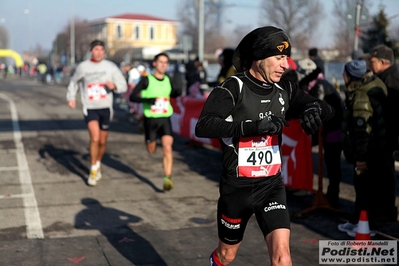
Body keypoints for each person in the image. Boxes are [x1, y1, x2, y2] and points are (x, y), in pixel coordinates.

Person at [195, 26, 334, 266]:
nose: (286, 65)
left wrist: (314, 109)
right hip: (236, 189)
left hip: (271, 186)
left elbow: (327, 108)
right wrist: (253, 126)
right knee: (226, 255)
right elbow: (204, 126)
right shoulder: (233, 87)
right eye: (279, 58)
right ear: (259, 58)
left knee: (282, 258)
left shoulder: (284, 89)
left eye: (287, 58)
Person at [66, 40, 128, 186]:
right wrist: (71, 98)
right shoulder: (83, 67)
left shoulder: (110, 67)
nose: (99, 52)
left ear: (104, 52)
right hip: (90, 107)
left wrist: (115, 86)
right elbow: (74, 82)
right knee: (94, 138)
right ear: (91, 51)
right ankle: (93, 169)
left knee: (102, 141)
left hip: (106, 108)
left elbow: (123, 86)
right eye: (96, 50)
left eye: (101, 50)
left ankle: (98, 162)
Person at [338, 60, 388, 237]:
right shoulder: (370, 84)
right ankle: (355, 221)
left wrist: (360, 159)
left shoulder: (361, 96)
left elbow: (362, 133)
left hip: (367, 152)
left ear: (350, 76)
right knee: (362, 188)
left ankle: (368, 226)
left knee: (365, 189)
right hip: (373, 150)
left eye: (344, 74)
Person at [129, 52, 182, 191]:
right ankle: (147, 137)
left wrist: (177, 90)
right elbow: (133, 97)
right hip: (150, 119)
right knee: (151, 150)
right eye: (161, 62)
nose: (163, 65)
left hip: (165, 118)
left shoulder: (168, 79)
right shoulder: (147, 80)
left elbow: (173, 94)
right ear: (155, 64)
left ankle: (167, 179)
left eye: (166, 62)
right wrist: (148, 100)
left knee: (167, 147)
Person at [300, 61, 344, 208]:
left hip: (334, 130)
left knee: (332, 165)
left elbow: (317, 108)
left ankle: (332, 199)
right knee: (331, 164)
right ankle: (329, 196)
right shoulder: (318, 83)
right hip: (331, 130)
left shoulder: (319, 86)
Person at [367, 44, 398, 222]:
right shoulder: (385, 77)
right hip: (384, 135)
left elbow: (392, 113)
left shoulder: (392, 80)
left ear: (383, 62)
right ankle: (384, 211)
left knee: (385, 175)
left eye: (372, 61)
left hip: (387, 137)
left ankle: (386, 213)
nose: (370, 65)